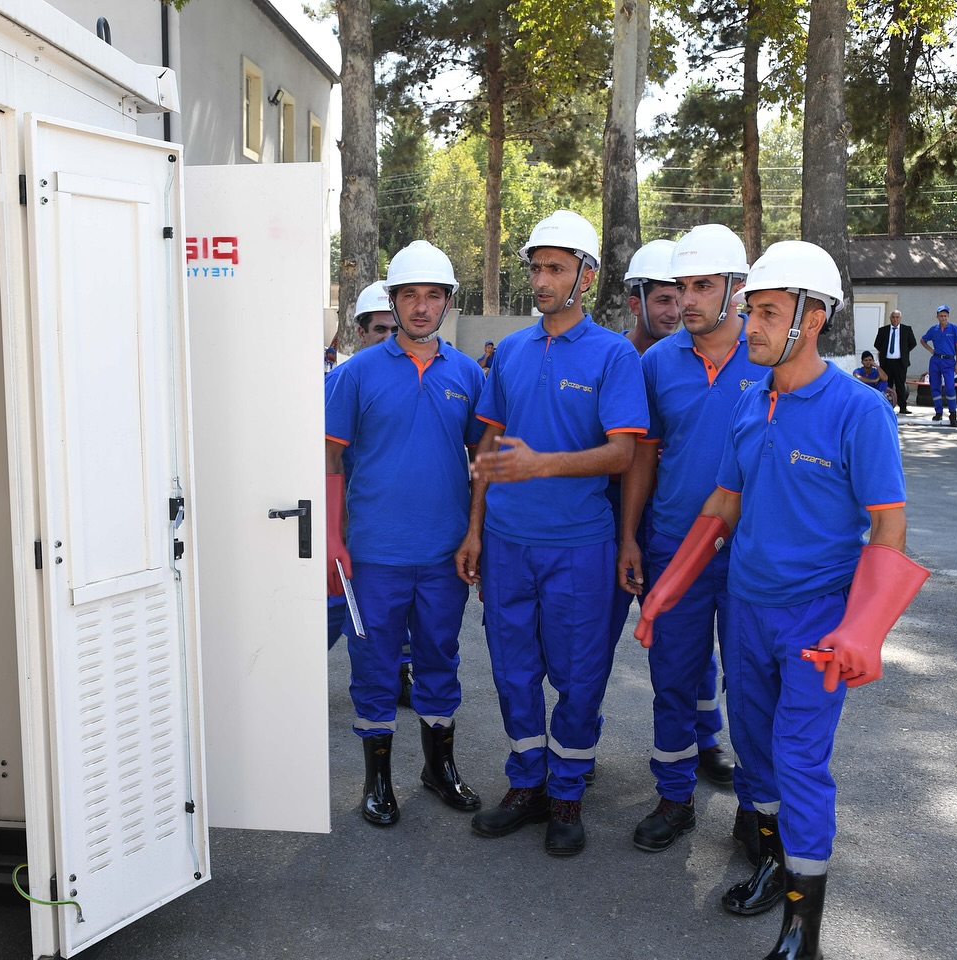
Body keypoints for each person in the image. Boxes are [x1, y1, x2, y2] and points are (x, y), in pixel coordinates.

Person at [635, 241, 928, 960]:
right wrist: (667, 590)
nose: (753, 326)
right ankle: (772, 860)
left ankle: (803, 932)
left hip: (815, 620)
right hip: (745, 609)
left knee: (799, 761)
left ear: (813, 318)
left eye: (768, 313)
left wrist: (865, 628)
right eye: (752, 311)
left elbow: (889, 526)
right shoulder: (751, 400)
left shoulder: (859, 410)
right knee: (755, 750)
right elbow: (722, 505)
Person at [458, 210, 647, 856]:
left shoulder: (614, 355)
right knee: (513, 670)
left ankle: (567, 792)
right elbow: (488, 446)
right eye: (537, 267)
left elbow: (623, 453)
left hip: (579, 545)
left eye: (556, 269)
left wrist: (542, 464)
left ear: (586, 277)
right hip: (507, 544)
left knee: (578, 673)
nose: (541, 280)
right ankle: (527, 784)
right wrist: (475, 530)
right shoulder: (510, 351)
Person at [325, 242, 486, 827]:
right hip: (374, 554)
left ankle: (438, 768)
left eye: (433, 296)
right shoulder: (355, 374)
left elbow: (482, 461)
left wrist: (475, 533)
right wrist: (333, 540)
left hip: (444, 554)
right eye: (410, 295)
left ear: (447, 303)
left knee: (440, 657)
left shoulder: (468, 374)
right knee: (374, 662)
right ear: (393, 302)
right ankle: (378, 779)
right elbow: (329, 458)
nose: (421, 307)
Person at [620, 224, 763, 866]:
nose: (687, 300)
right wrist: (630, 536)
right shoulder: (656, 363)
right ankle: (674, 796)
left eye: (703, 285)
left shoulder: (768, 357)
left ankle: (756, 810)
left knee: (752, 686)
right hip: (674, 547)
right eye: (682, 287)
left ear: (737, 288)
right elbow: (642, 459)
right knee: (673, 677)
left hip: (750, 554)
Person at [324, 281, 413, 704]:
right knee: (331, 611)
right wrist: (332, 530)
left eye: (393, 328)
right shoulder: (342, 381)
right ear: (361, 333)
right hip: (349, 526)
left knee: (398, 618)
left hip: (397, 529)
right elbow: (326, 459)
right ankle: (286, 685)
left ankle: (399, 676)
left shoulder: (426, 377)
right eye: (379, 329)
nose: (388, 336)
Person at [921, 306, 957, 426]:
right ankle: (938, 411)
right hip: (936, 360)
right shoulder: (933, 329)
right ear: (937, 316)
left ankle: (953, 413)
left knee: (949, 387)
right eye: (941, 316)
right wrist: (931, 350)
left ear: (948, 316)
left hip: (949, 361)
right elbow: (923, 340)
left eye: (945, 316)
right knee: (935, 386)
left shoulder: (955, 329)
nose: (943, 318)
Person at [874, 309, 917, 413]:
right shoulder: (883, 330)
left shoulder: (906, 329)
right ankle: (887, 405)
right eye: (893, 317)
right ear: (890, 318)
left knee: (900, 384)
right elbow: (877, 344)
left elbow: (913, 343)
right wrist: (884, 351)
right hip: (887, 362)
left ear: (900, 318)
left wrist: (904, 351)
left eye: (897, 317)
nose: (895, 319)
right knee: (887, 384)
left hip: (900, 362)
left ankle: (903, 407)